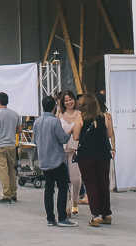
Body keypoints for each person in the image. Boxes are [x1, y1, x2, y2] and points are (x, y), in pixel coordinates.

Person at [34, 95, 78, 228]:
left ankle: (50, 218)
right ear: (55, 107)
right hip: (57, 160)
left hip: (44, 160)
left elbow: (35, 140)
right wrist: (70, 131)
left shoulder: (37, 121)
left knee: (49, 189)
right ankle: (62, 218)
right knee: (63, 187)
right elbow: (63, 139)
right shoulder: (55, 121)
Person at [75, 94, 114, 227]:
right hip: (103, 154)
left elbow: (75, 136)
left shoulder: (80, 118)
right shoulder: (105, 117)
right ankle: (106, 214)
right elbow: (109, 134)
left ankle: (96, 215)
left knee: (91, 184)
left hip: (86, 155)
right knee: (103, 183)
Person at [0, 92, 21, 204]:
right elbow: (19, 130)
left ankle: (6, 195)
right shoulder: (15, 114)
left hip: (0, 146)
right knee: (12, 170)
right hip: (12, 145)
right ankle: (13, 193)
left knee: (3, 171)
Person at [58, 90, 83, 214]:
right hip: (61, 150)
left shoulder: (80, 114)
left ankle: (75, 201)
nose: (68, 102)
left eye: (70, 99)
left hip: (75, 150)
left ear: (74, 99)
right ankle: (67, 205)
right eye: (66, 100)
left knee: (76, 179)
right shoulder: (60, 114)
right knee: (63, 180)